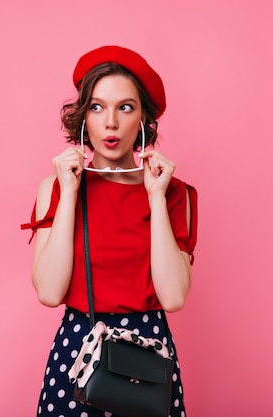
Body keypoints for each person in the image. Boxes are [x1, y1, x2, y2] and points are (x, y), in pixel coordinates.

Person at [21, 45, 198, 417]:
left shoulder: (172, 193)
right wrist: (69, 193)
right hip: (77, 348)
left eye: (126, 107)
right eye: (98, 107)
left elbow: (174, 297)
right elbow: (50, 293)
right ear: (84, 116)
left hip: (148, 356)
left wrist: (155, 197)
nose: (111, 123)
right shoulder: (55, 188)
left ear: (143, 120)